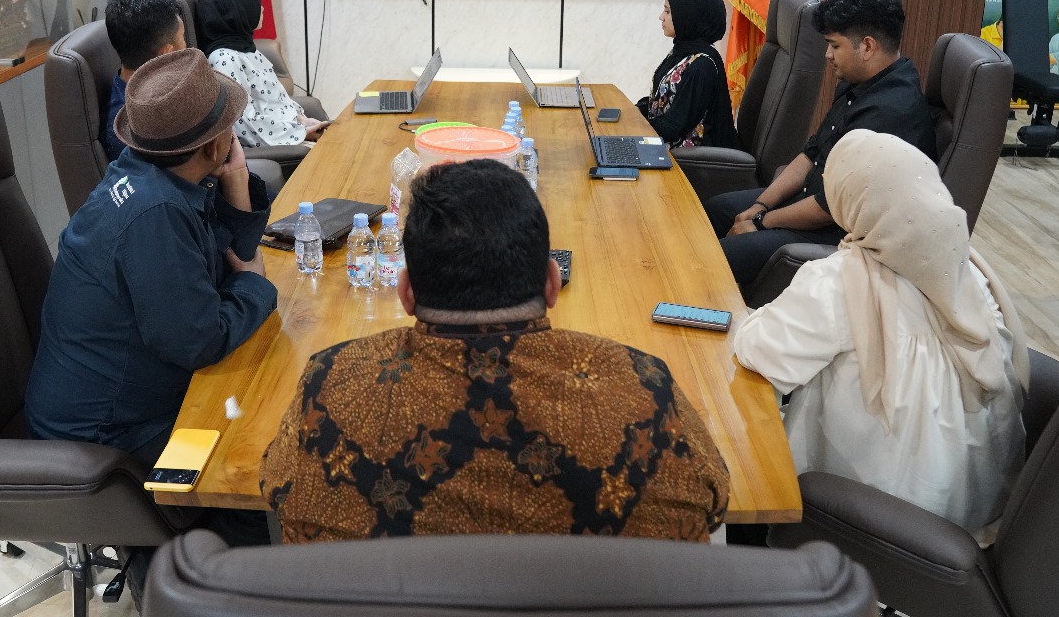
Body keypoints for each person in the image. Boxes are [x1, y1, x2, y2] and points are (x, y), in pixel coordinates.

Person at [259, 159, 730, 543]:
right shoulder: (645, 388)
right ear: (551, 283)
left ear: (406, 292)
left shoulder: (329, 385)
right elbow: (715, 499)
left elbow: (274, 487)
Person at [733, 129, 1028, 542]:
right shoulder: (971, 271)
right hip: (977, 516)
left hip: (868, 516)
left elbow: (759, 352)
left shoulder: (841, 281)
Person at [26, 47, 279, 468]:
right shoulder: (155, 213)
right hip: (108, 437)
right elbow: (200, 341)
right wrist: (254, 286)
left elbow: (228, 259)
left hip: (130, 400)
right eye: (228, 125)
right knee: (264, 458)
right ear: (214, 145)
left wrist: (235, 180)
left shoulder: (148, 170)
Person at [704, 0, 936, 293]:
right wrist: (760, 205)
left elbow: (829, 207)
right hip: (813, 203)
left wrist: (759, 223)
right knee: (717, 209)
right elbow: (811, 153)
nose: (827, 55)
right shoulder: (860, 83)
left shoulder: (889, 113)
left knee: (714, 259)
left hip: (837, 233)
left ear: (867, 46)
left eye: (835, 45)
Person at [196, 0, 328, 147]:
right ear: (237, 12)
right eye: (255, 4)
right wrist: (300, 133)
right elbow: (245, 124)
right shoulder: (225, 60)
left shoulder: (245, 48)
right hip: (279, 144)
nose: (262, 9)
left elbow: (275, 98)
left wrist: (301, 119)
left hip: (290, 131)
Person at [636, 0, 738, 150]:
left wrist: (635, 124)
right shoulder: (682, 51)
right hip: (668, 144)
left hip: (689, 158)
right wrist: (636, 110)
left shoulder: (701, 66)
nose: (661, 17)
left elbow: (673, 127)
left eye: (667, 11)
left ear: (687, 16)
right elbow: (664, 101)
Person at [102, 0, 187, 161]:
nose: (186, 47)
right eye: (182, 39)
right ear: (166, 53)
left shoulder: (143, 91)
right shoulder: (137, 130)